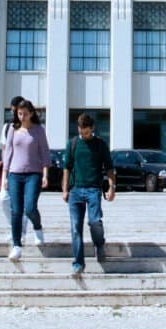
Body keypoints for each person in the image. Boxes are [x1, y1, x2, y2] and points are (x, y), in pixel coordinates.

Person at [63, 113, 115, 276]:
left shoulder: (100, 144)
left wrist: (111, 187)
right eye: (81, 131)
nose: (83, 135)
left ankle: (99, 244)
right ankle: (78, 263)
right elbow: (67, 167)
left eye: (86, 132)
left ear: (92, 129)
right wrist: (65, 189)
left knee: (94, 222)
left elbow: (109, 168)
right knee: (75, 228)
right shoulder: (72, 144)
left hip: (93, 189)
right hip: (75, 191)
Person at [2, 99, 51, 262]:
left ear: (31, 113)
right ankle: (17, 245)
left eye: (25, 114)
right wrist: (5, 177)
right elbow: (8, 153)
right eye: (19, 114)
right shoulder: (12, 129)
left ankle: (37, 228)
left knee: (29, 207)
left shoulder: (39, 130)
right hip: (15, 174)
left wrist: (45, 174)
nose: (22, 117)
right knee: (16, 210)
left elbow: (44, 152)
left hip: (33, 174)